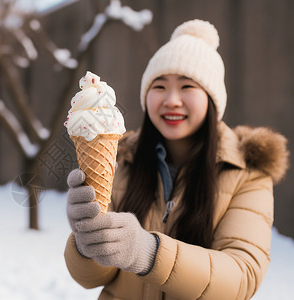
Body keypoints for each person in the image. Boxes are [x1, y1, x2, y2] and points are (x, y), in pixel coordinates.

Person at [64, 19, 289, 300]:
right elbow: (91, 278)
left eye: (187, 86)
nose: (171, 100)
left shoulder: (249, 172)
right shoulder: (123, 161)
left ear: (212, 98)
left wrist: (148, 252)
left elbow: (242, 277)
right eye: (159, 86)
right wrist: (86, 243)